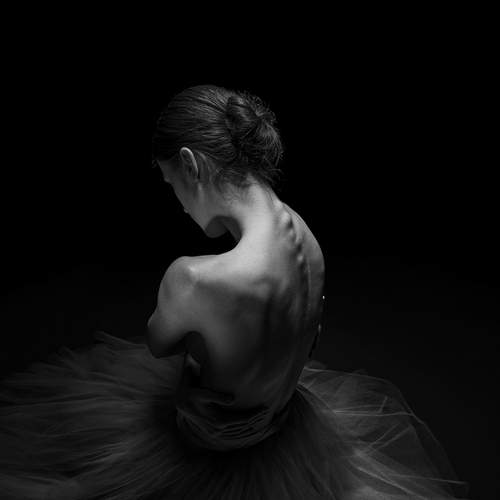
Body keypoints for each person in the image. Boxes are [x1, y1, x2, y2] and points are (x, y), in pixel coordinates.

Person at [0, 84, 470, 499]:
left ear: (191, 164)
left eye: (172, 184)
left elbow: (159, 343)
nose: (181, 206)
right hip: (284, 432)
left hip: (209, 450)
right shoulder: (306, 239)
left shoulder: (195, 278)